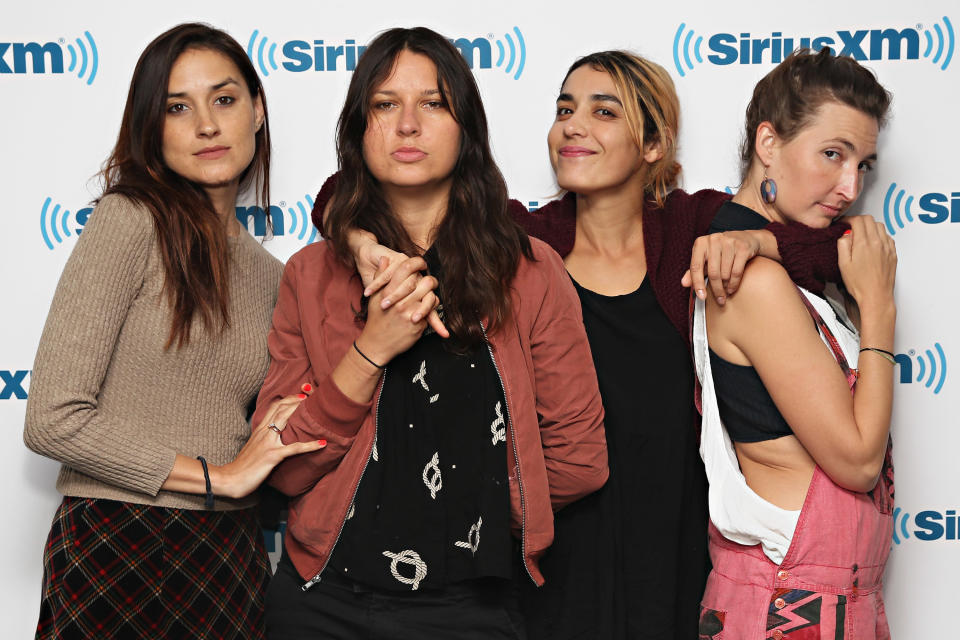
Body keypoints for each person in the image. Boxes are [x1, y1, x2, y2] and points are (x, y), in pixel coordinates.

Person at [316, 50, 847, 639]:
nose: (573, 124)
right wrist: (359, 238)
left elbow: (841, 252)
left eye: (604, 111)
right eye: (565, 108)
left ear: (652, 144)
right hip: (552, 561)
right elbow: (352, 187)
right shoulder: (518, 242)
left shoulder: (692, 227)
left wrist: (755, 243)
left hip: (671, 553)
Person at [255, 27, 607, 639]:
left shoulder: (529, 271)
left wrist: (495, 503)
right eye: (385, 105)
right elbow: (282, 468)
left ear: (465, 126)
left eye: (434, 103)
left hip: (471, 610)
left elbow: (578, 460)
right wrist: (371, 351)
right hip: (321, 602)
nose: (408, 125)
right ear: (358, 130)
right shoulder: (311, 275)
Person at [23, 23, 324, 640]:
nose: (206, 125)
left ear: (258, 109)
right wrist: (221, 477)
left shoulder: (275, 274)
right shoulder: (129, 221)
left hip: (230, 556)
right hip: (120, 540)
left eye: (224, 99)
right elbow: (51, 418)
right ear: (151, 129)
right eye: (177, 107)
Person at [692, 48, 896, 638]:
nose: (850, 186)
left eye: (865, 165)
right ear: (767, 144)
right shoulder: (750, 281)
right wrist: (879, 311)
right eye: (832, 154)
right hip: (786, 604)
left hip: (833, 598)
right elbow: (858, 460)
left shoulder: (775, 262)